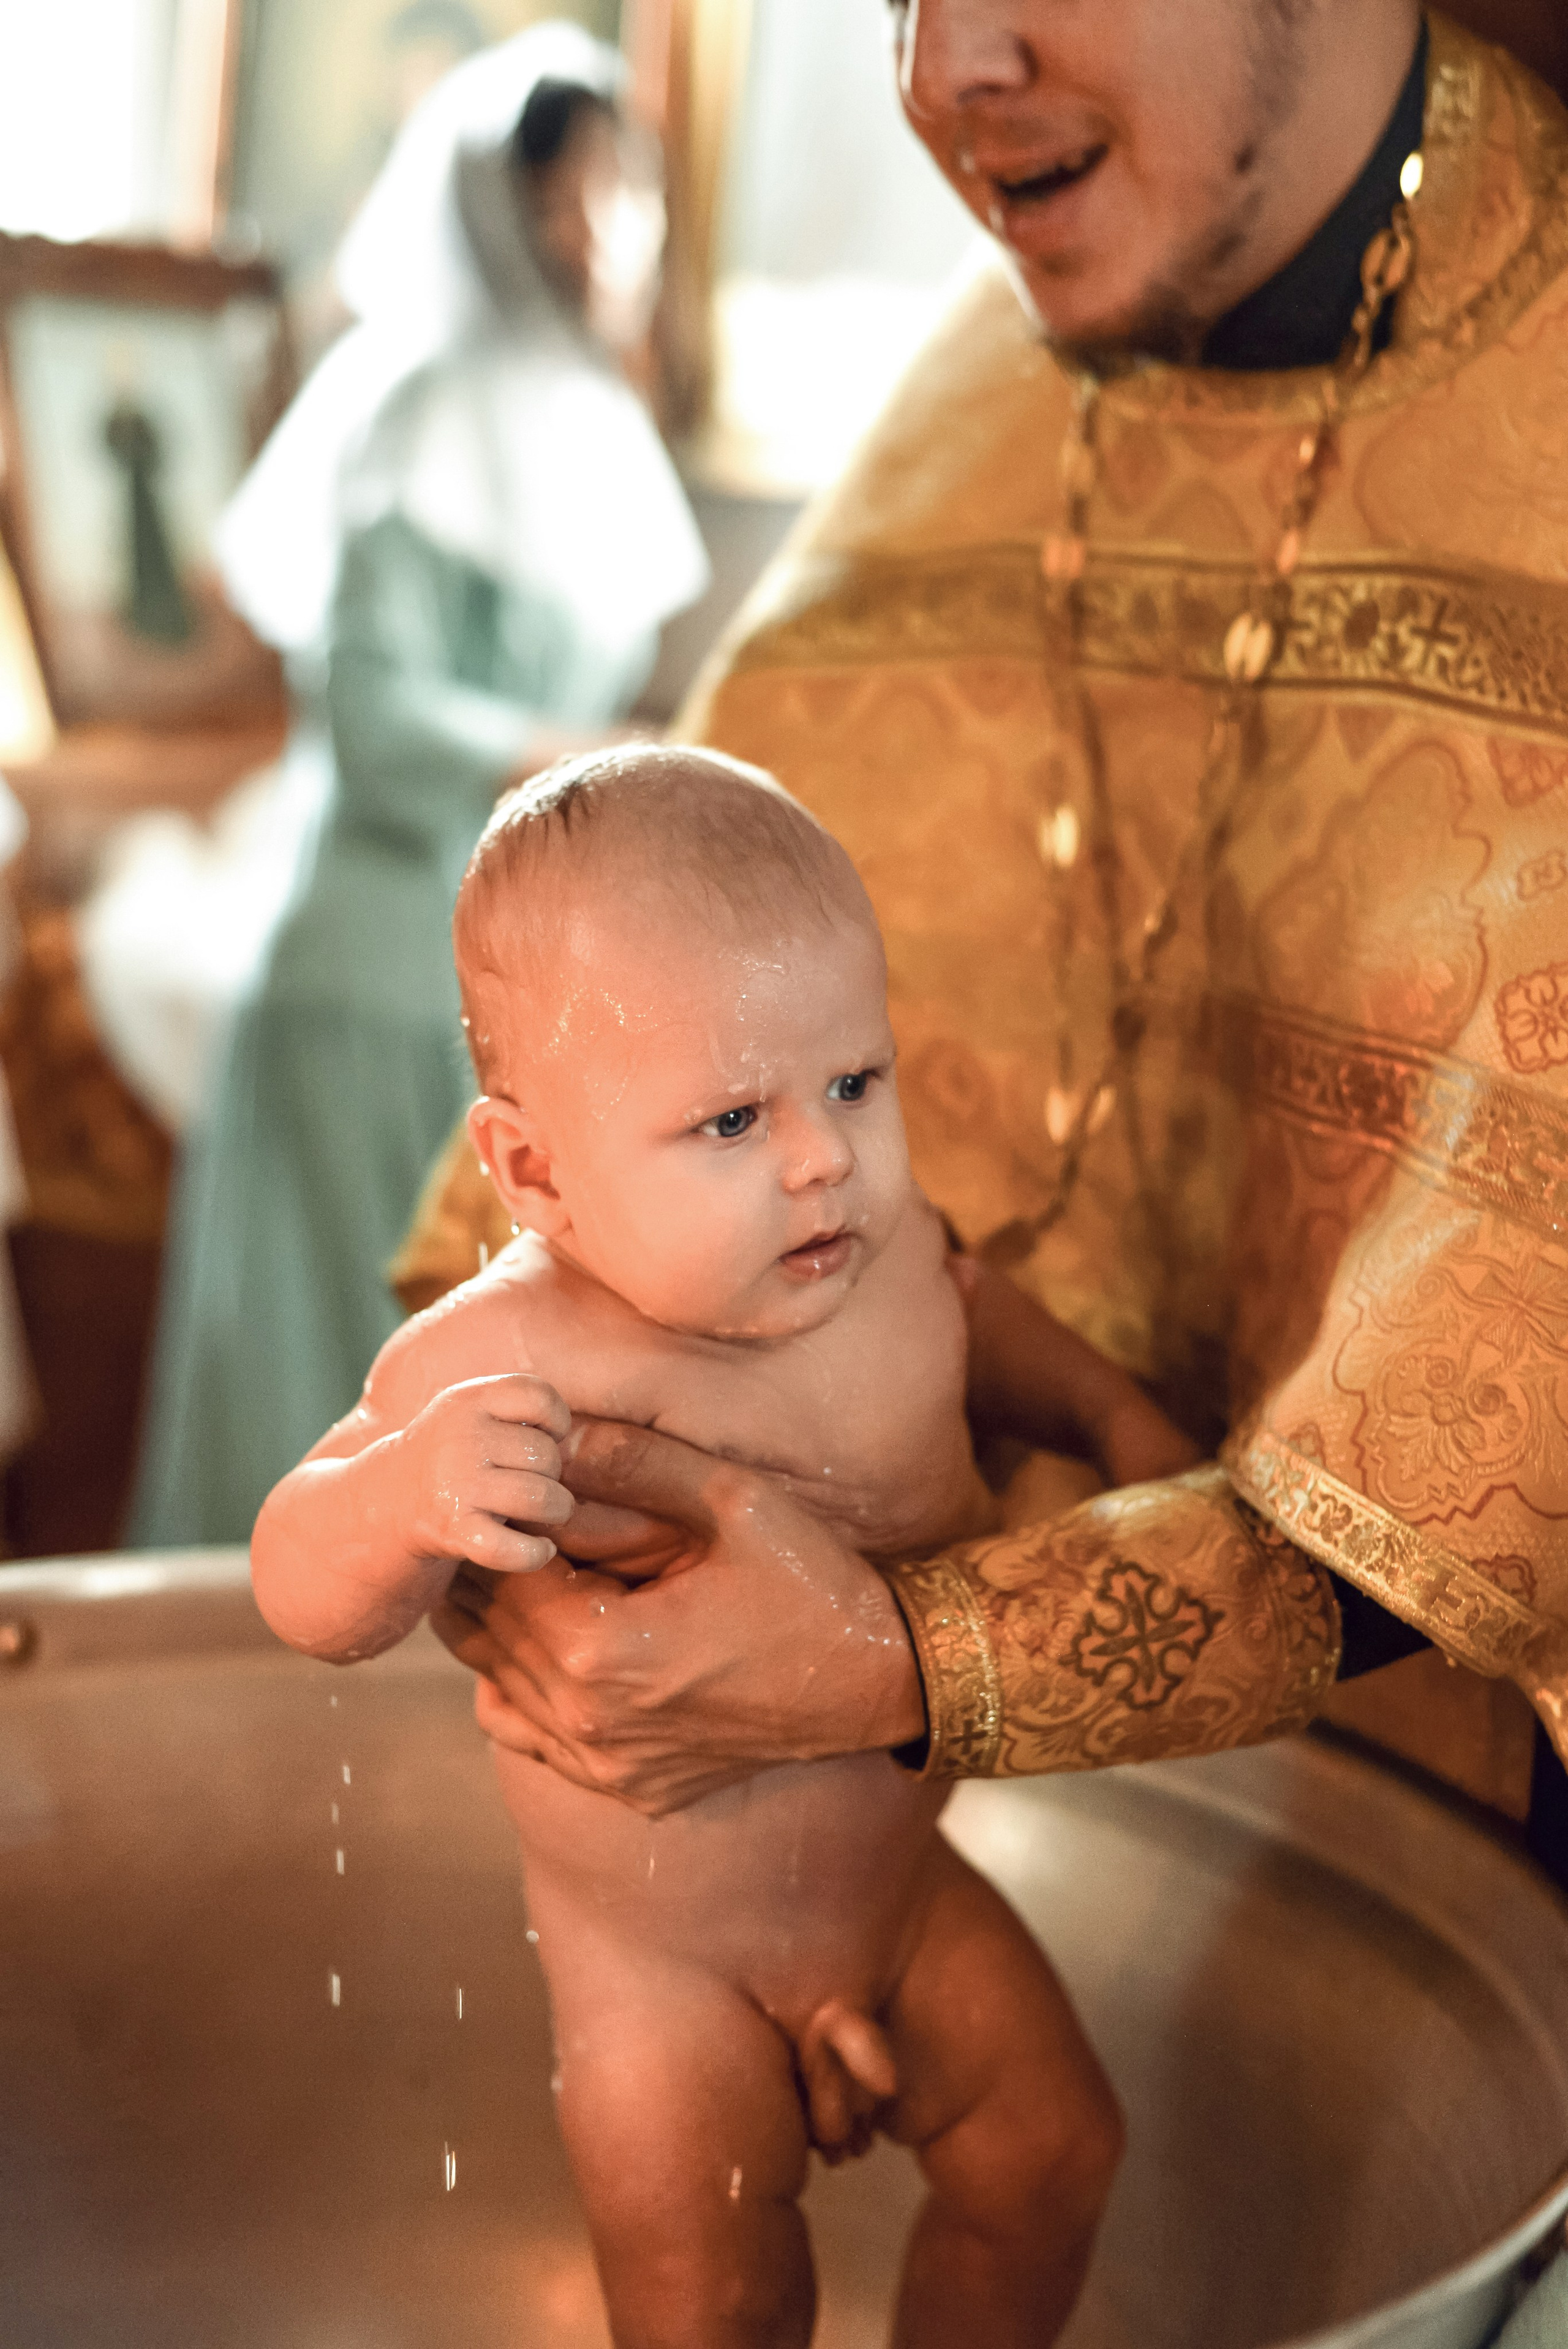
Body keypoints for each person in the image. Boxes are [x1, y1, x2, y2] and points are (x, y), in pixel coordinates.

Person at [401, 1, 1568, 1880]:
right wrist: (562, 1570)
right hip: (872, 1823)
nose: (943, 71)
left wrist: (908, 1656)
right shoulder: (986, 382)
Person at [253, 747, 1206, 2348]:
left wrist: (1118, 1422)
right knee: (715, 2304)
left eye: (856, 1080)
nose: (822, 1155)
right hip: (661, 1974)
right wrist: (403, 1491)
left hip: (899, 1902)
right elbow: (296, 1576)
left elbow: (985, 1324)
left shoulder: (880, 1252)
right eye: (730, 1117)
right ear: (533, 1169)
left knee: (1054, 2152)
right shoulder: (505, 1359)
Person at [129, 24, 707, 1546]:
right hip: (364, 979)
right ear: (493, 214)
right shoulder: (414, 409)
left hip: (507, 989)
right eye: (563, 202)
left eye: (618, 195)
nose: (598, 234)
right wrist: (576, 757)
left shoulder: (589, 426)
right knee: (324, 1414)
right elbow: (382, 726)